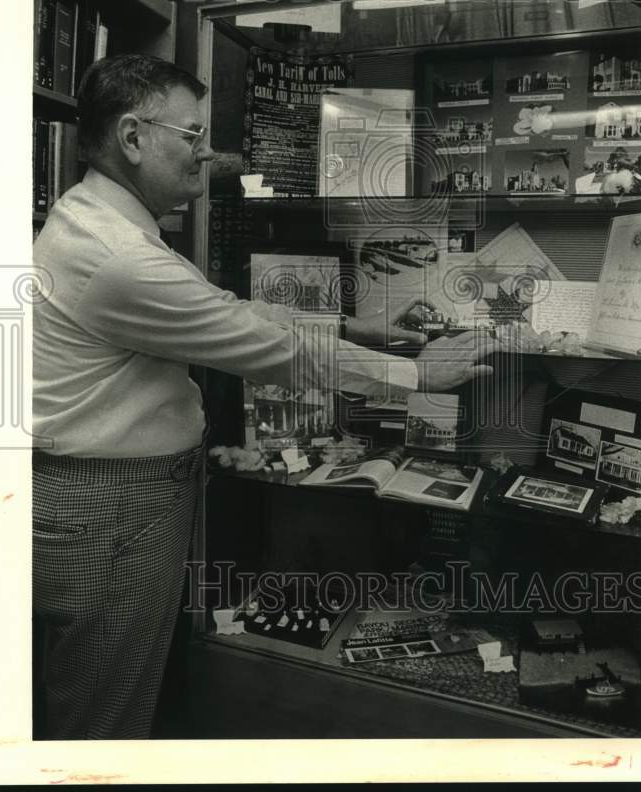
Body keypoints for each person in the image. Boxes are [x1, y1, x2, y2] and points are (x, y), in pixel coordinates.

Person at [32, 54, 494, 740]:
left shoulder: (95, 221)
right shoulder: (120, 257)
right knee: (103, 713)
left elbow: (216, 312)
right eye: (191, 137)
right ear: (132, 137)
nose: (205, 153)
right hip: (114, 507)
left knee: (93, 693)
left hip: (106, 500)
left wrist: (348, 323)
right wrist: (415, 377)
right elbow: (270, 348)